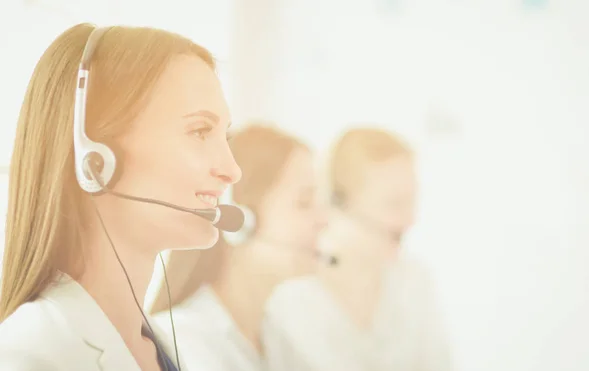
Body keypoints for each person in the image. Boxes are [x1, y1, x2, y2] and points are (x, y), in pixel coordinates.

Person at [0, 23, 240, 371]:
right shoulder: (32, 354)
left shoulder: (162, 346)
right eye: (200, 131)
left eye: (225, 137)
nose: (232, 170)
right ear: (95, 159)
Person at [263, 127, 453, 371]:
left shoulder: (415, 281)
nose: (411, 219)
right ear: (338, 204)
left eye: (412, 200)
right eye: (395, 203)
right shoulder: (291, 296)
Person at [150, 124, 327, 371]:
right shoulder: (185, 342)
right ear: (238, 220)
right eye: (304, 202)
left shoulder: (275, 337)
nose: (324, 220)